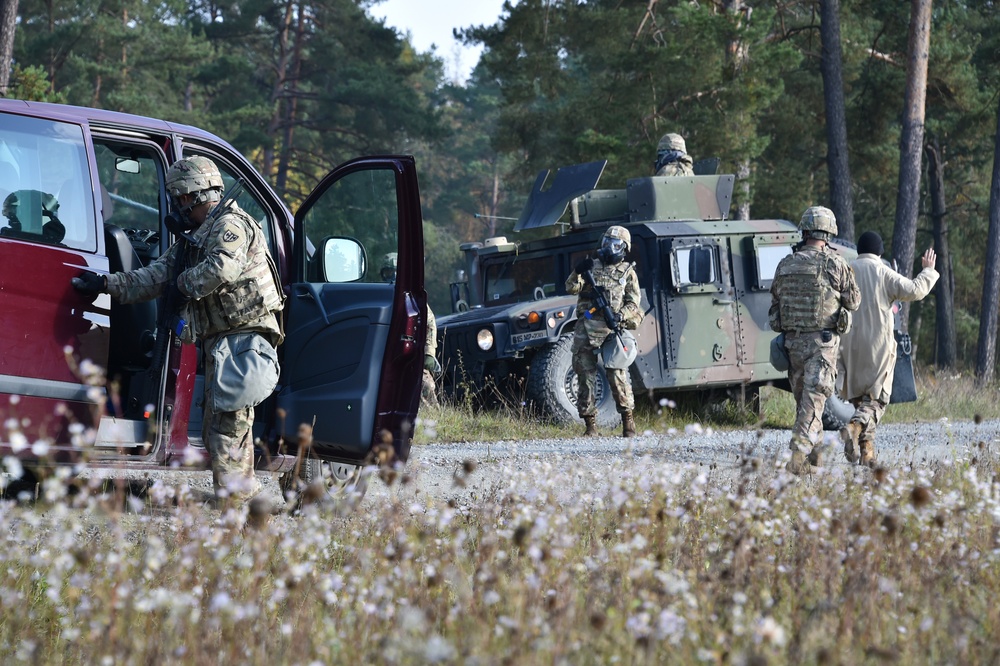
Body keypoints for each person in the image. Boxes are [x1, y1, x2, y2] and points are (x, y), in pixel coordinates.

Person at [72, 156, 284, 505]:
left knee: (227, 432)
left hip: (244, 339)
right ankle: (243, 505)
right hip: (222, 343)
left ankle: (242, 508)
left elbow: (221, 270)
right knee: (222, 432)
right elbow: (152, 277)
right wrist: (104, 283)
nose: (175, 207)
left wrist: (181, 286)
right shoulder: (192, 239)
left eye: (177, 199)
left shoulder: (230, 226)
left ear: (188, 197)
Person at [769, 206, 860, 475]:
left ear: (805, 230)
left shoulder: (785, 263)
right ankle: (797, 457)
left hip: (792, 344)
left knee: (808, 403)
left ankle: (815, 460)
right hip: (822, 345)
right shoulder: (836, 263)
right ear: (829, 233)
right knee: (813, 402)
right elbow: (854, 301)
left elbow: (774, 312)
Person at [838, 232, 938, 467]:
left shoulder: (846, 271)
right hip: (877, 348)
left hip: (849, 348)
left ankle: (867, 453)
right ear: (879, 252)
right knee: (877, 400)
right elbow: (915, 290)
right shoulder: (882, 271)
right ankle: (853, 428)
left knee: (861, 400)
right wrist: (928, 270)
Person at [566, 225, 644, 438]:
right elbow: (571, 287)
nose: (610, 247)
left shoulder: (628, 272)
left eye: (615, 244)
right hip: (588, 325)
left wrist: (621, 316)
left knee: (616, 375)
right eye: (607, 242)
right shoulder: (591, 266)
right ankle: (590, 426)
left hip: (612, 328)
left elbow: (634, 303)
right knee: (584, 375)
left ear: (624, 248)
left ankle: (628, 423)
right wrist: (578, 270)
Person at [381, 252, 439, 406]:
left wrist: (428, 353)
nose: (392, 277)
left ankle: (435, 424)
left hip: (411, 355)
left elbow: (430, 322)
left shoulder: (412, 298)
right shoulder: (380, 296)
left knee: (426, 387)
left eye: (396, 273)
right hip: (384, 357)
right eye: (388, 273)